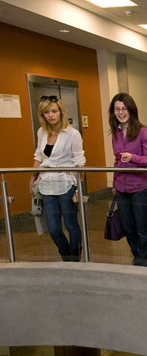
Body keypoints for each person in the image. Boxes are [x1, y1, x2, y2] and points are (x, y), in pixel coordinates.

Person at [30, 95, 85, 262]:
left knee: (71, 224)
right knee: (53, 229)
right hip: (46, 184)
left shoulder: (72, 134)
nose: (51, 115)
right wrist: (32, 179)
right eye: (46, 112)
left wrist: (79, 188)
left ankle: (74, 258)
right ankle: (67, 256)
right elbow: (39, 156)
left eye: (54, 111)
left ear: (61, 112)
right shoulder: (42, 132)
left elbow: (80, 162)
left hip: (66, 184)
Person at [109, 93, 147, 267]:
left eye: (124, 108)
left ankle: (143, 264)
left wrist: (133, 157)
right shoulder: (116, 133)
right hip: (122, 188)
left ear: (131, 110)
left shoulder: (144, 131)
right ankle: (138, 256)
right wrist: (114, 183)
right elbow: (116, 161)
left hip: (141, 188)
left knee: (142, 229)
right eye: (117, 109)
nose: (121, 112)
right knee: (128, 228)